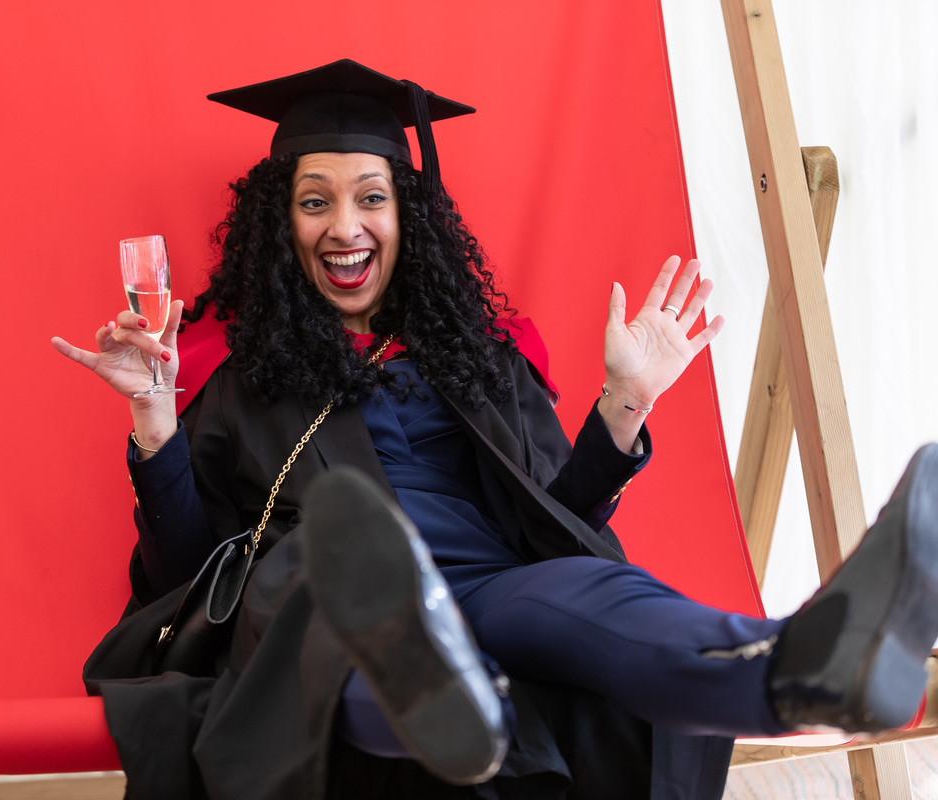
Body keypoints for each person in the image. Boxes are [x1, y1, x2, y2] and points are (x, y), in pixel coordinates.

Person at [52, 59, 938, 800]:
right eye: (315, 202)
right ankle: (438, 698)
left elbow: (557, 517)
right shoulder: (236, 370)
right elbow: (181, 576)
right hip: (329, 582)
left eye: (371, 197)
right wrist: (154, 422)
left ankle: (803, 666)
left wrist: (623, 404)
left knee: (593, 595)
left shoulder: (478, 355)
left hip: (483, 580)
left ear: (407, 216)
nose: (345, 225)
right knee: (328, 594)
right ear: (281, 226)